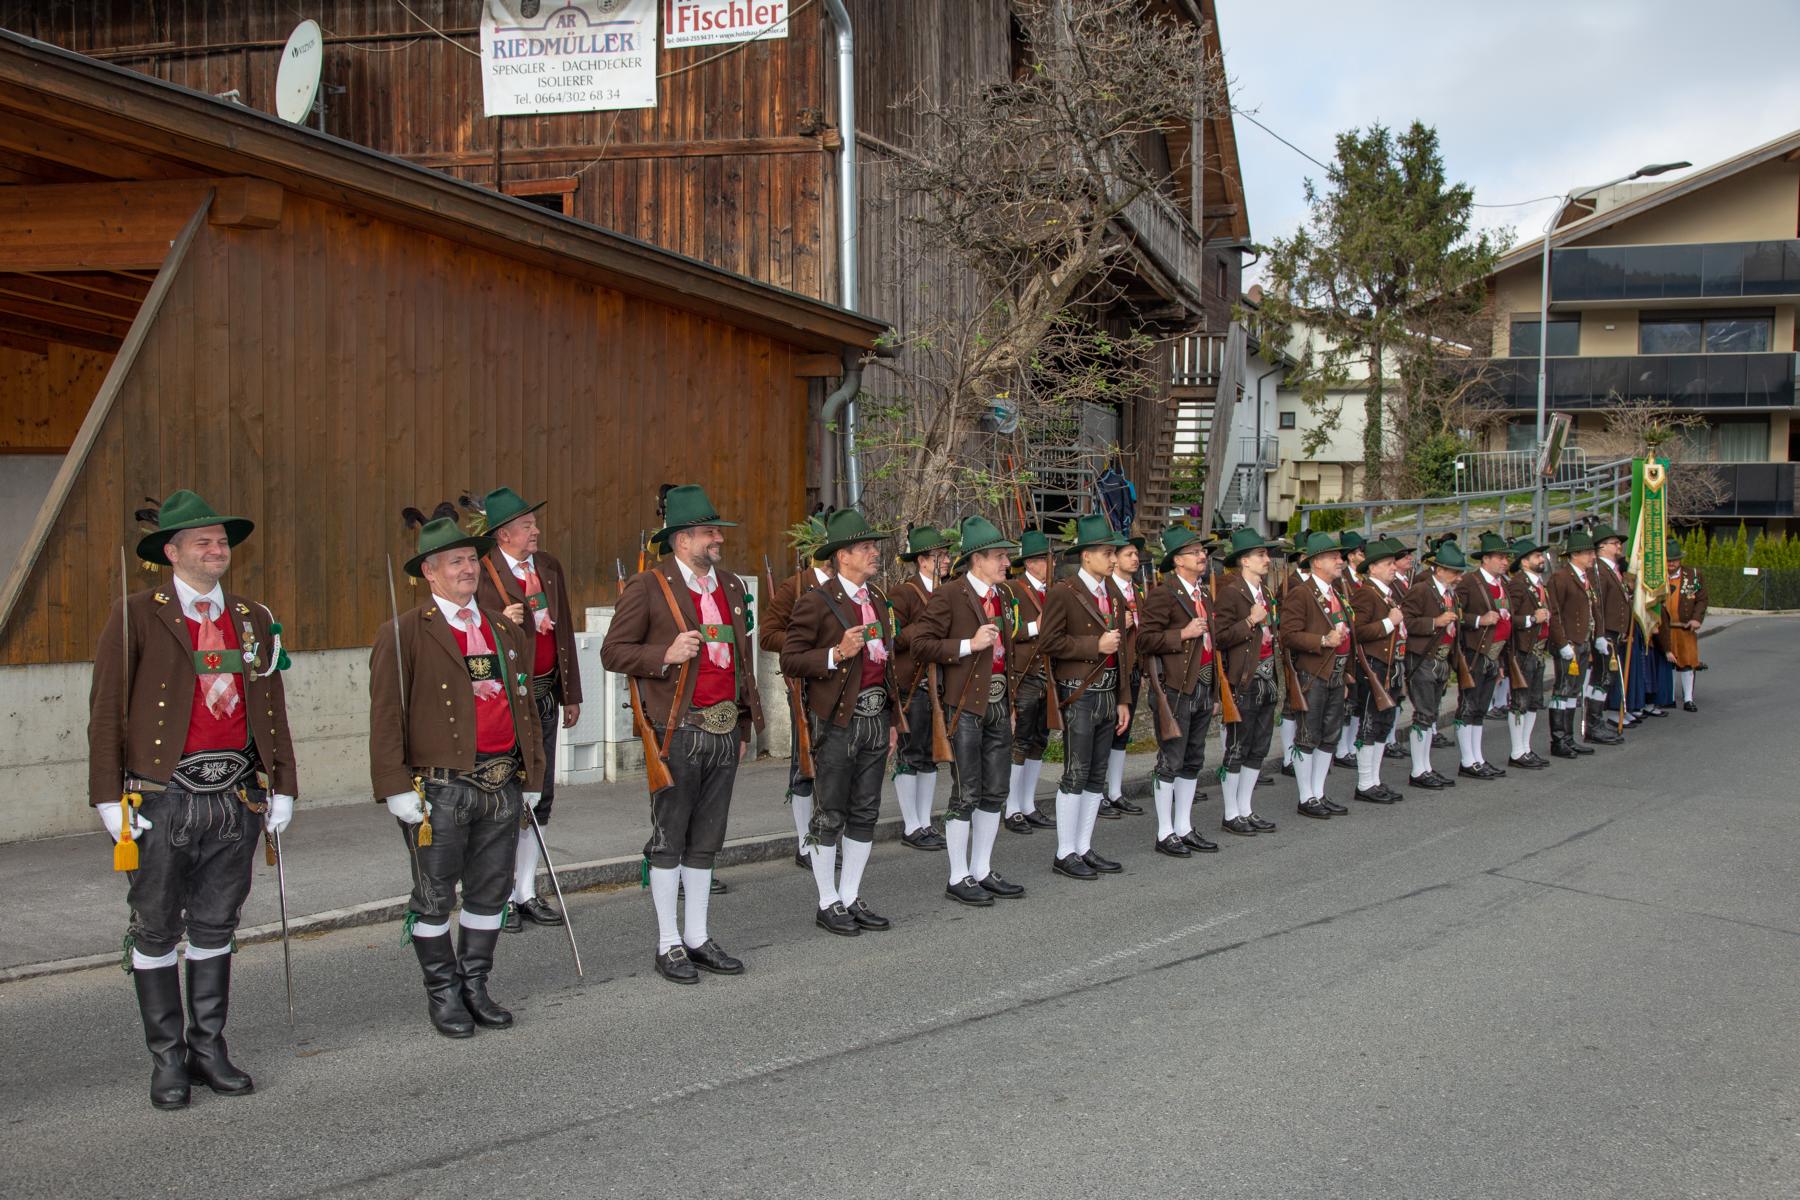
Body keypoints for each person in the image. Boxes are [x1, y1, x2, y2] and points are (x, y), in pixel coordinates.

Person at [89, 491, 298, 1109]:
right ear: (171, 553)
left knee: (216, 923)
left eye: (221, 541)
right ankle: (168, 1059)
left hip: (236, 794)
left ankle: (209, 1048)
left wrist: (282, 784)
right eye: (202, 542)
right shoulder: (134, 615)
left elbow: (270, 707)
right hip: (161, 796)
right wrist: (108, 797)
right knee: (155, 928)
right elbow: (106, 713)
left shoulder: (254, 616)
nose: (216, 551)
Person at [371, 509, 545, 1032]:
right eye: (455, 561)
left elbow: (525, 707)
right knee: (434, 896)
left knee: (491, 892)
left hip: (501, 782)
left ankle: (475, 985)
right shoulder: (404, 633)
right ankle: (443, 993)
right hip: (440, 790)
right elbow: (385, 716)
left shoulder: (502, 628)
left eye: (472, 558)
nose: (467, 568)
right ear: (429, 571)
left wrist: (533, 776)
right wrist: (395, 787)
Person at [600, 485, 762, 983]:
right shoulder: (649, 588)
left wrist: (744, 720)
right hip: (678, 731)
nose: (718, 539)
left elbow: (742, 660)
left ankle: (697, 936)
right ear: (682, 539)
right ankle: (668, 942)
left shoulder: (732, 586)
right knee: (670, 839)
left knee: (707, 839)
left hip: (722, 728)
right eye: (709, 532)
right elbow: (613, 652)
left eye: (716, 531)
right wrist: (663, 655)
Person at [781, 508, 904, 935]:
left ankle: (850, 895)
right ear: (843, 556)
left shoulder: (879, 601)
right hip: (835, 722)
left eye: (874, 546)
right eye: (866, 547)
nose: (874, 553)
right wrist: (836, 653)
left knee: (866, 812)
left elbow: (886, 668)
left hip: (875, 717)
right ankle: (827, 899)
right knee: (829, 814)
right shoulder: (816, 602)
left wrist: (890, 719)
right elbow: (790, 658)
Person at [468, 487, 583, 932]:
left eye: (533, 524)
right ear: (503, 534)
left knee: (539, 795)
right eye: (527, 525)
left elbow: (565, 629)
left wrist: (571, 693)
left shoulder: (549, 567)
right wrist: (503, 622)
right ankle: (496, 898)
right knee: (502, 796)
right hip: (505, 702)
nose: (536, 530)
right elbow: (471, 639)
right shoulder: (480, 573)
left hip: (545, 694)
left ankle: (527, 891)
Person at [910, 516, 1028, 905]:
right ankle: (958, 875)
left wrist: (1009, 702)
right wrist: (967, 644)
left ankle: (981, 869)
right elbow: (921, 644)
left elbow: (1008, 654)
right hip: (964, 707)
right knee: (967, 791)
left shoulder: (1003, 595)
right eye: (998, 557)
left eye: (1005, 557)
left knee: (996, 790)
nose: (1005, 563)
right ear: (977, 559)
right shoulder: (949, 595)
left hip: (998, 703)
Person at [1038, 514, 1135, 879]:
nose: (1113, 559)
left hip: (1110, 693)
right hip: (1079, 694)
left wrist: (1124, 698)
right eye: (1106, 552)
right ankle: (1065, 852)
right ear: (1086, 556)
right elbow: (1048, 642)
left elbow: (1123, 652)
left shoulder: (1112, 593)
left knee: (1097, 773)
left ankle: (1084, 846)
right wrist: (1093, 645)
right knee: (1075, 773)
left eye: (1113, 552)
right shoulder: (1063, 592)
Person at [1136, 526, 1220, 855]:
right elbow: (1145, 639)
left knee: (1193, 758)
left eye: (1203, 551)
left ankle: (1184, 825)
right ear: (1178, 561)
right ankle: (1164, 830)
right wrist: (1182, 634)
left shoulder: (1203, 594)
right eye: (1196, 552)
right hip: (1175, 687)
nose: (1203, 556)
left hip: (1202, 683)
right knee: (1171, 759)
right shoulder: (1163, 593)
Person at [760, 517, 834, 868]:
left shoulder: (848, 589)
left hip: (840, 685)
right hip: (805, 685)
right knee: (803, 763)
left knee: (833, 764)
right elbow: (767, 634)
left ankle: (827, 837)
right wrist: (806, 646)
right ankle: (806, 843)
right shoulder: (795, 587)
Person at [1279, 532, 1354, 819]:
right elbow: (1289, 635)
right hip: (1313, 673)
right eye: (1334, 557)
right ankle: (1305, 796)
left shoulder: (1337, 592)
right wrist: (1323, 640)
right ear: (1317, 561)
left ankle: (1318, 792)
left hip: (1335, 673)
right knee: (1308, 735)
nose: (1340, 561)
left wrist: (1347, 674)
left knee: (1330, 735)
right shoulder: (1302, 592)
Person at [1212, 529, 1282, 834]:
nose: (1266, 559)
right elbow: (1220, 637)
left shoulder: (1265, 592)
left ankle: (1246, 808)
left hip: (1267, 676)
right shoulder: (1230, 593)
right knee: (1238, 747)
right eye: (1260, 555)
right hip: (1244, 679)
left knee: (1259, 747)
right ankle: (1231, 813)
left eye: (1266, 554)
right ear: (1244, 561)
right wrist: (1250, 621)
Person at [889, 525, 953, 850]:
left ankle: (926, 822)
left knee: (931, 757)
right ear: (923, 561)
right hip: (911, 685)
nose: (946, 560)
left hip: (939, 685)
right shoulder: (902, 593)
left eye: (945, 554)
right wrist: (929, 624)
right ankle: (911, 825)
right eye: (939, 555)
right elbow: (894, 638)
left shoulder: (950, 591)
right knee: (910, 755)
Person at [1003, 529, 1058, 834]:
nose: (1049, 564)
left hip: (1047, 675)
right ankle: (1011, 807)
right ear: (1032, 563)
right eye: (1044, 559)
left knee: (1040, 740)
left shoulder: (1056, 590)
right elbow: (1006, 631)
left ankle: (1028, 804)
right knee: (1020, 741)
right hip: (1023, 675)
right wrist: (1035, 627)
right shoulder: (1012, 590)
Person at [1400, 539, 1466, 789]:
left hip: (1441, 658)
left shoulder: (1449, 592)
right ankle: (1419, 769)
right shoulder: (1422, 589)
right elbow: (1406, 621)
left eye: (1459, 572)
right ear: (1439, 570)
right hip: (1423, 658)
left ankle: (1425, 766)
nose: (1458, 577)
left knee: (1432, 714)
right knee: (1424, 715)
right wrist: (1434, 622)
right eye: (1453, 571)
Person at [1345, 537, 1407, 803]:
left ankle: (1375, 779)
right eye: (1388, 563)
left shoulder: (1385, 593)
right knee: (1369, 725)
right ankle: (1365, 783)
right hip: (1373, 666)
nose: (1394, 567)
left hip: (1389, 666)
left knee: (1383, 724)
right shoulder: (1366, 593)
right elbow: (1358, 632)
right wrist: (1388, 623)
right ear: (1373, 568)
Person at [1448, 532, 1514, 780]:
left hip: (1493, 653)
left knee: (1480, 708)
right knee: (1468, 705)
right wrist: (1479, 620)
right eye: (1500, 557)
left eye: (1506, 558)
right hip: (1475, 653)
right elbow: (1455, 612)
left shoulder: (1502, 583)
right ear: (1485, 559)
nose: (1505, 562)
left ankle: (1477, 757)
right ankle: (1467, 760)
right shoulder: (1469, 582)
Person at [1100, 534, 1149, 819]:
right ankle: (1099, 791)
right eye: (1129, 553)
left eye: (1135, 554)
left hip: (1130, 670)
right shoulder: (1105, 590)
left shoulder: (1138, 592)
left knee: (1122, 733)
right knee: (1104, 732)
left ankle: (1115, 791)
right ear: (1114, 558)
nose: (1135, 558)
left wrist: (1141, 668)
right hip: (1109, 670)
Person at [1547, 529, 1601, 759]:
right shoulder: (1561, 577)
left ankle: (1569, 737)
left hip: (1582, 641)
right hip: (1569, 642)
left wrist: (1597, 636)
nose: (1592, 557)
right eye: (1588, 553)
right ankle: (1559, 739)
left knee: (1573, 692)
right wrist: (1561, 643)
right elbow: (1554, 612)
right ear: (1575, 554)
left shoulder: (1584, 577)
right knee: (1562, 690)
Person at [1503, 535, 1554, 770]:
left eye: (1541, 555)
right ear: (1524, 562)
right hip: (1523, 650)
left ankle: (1526, 747)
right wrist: (1532, 618)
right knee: (1520, 701)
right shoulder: (1517, 584)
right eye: (1536, 556)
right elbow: (1508, 618)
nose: (1541, 559)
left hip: (1538, 649)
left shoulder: (1539, 584)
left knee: (1534, 701)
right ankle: (1517, 751)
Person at [1586, 524, 1629, 743]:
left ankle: (1596, 721)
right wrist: (1600, 633)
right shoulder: (1599, 570)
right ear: (1601, 547)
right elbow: (1598, 604)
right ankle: (1593, 724)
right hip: (1605, 632)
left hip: (1614, 631)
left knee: (1606, 678)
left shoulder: (1612, 569)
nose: (1619, 546)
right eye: (1614, 543)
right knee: (1602, 677)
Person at [1331, 530, 1369, 767]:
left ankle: (1350, 744)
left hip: (1357, 644)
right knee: (1343, 704)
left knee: (1356, 700)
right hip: (1341, 644)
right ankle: (1341, 748)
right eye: (1359, 552)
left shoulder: (1359, 579)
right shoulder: (1340, 579)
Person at [1657, 539, 1707, 711]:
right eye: (1669, 560)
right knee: (1667, 663)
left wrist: (1697, 619)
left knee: (1687, 662)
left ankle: (1688, 699)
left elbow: (1702, 599)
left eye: (1675, 560)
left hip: (1685, 627)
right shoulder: (1657, 576)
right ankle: (1668, 697)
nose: (1672, 563)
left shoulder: (1694, 574)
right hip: (1663, 628)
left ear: (1680, 560)